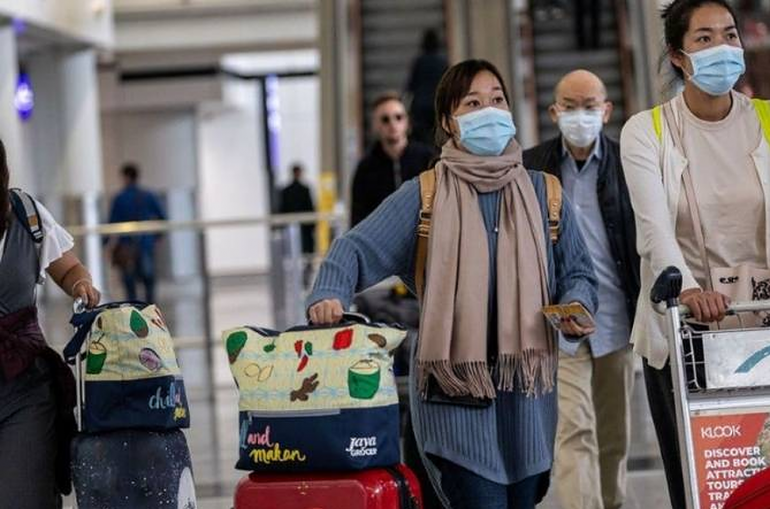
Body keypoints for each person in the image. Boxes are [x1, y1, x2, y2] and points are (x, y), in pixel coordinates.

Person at [308, 59, 598, 509]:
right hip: (454, 398)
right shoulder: (424, 195)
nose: (490, 111)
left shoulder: (545, 193)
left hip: (526, 401)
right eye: (473, 104)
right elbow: (355, 248)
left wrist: (576, 304)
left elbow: (578, 271)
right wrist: (330, 291)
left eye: (497, 100)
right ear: (448, 121)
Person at [620, 1, 769, 507]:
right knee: (702, 482)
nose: (722, 48)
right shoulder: (647, 131)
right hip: (689, 334)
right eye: (704, 39)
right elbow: (654, 230)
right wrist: (686, 290)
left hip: (762, 326)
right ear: (677, 56)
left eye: (729, 35)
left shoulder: (766, 121)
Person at [523, 70, 640, 509]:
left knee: (614, 433)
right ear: (554, 112)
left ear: (606, 111)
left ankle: (612, 501)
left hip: (615, 319)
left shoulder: (628, 164)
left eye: (589, 106)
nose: (580, 115)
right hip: (560, 323)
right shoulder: (532, 168)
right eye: (570, 106)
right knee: (573, 429)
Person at [0, 138, 101, 508]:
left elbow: (69, 268)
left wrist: (81, 285)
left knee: (23, 497)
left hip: (23, 387)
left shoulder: (26, 215)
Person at [350, 92, 434, 227]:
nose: (393, 124)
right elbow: (358, 218)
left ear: (407, 121)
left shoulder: (427, 159)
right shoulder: (366, 169)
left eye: (398, 117)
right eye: (385, 119)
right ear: (375, 125)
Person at [108, 163, 166, 303]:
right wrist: (157, 237)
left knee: (129, 283)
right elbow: (162, 217)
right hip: (145, 242)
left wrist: (106, 243)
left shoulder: (120, 198)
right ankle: (150, 308)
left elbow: (112, 222)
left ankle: (133, 309)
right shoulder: (148, 195)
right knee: (148, 280)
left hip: (126, 245)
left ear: (126, 177)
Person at [405, 29, 448, 146]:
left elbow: (410, 85)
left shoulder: (419, 61)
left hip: (420, 106)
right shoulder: (443, 62)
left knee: (421, 138)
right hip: (437, 105)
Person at [279, 163, 316, 285]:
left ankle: (295, 279)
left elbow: (282, 210)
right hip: (305, 229)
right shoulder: (304, 190)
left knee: (293, 255)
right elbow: (310, 209)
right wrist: (312, 227)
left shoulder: (285, 191)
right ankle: (304, 279)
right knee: (306, 255)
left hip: (291, 229)